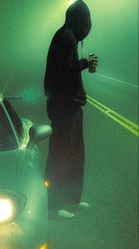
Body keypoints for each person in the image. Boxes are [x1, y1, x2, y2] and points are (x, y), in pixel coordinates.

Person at [44, 0, 98, 219]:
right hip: (63, 107)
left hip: (70, 107)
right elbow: (64, 71)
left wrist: (83, 63)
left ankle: (71, 200)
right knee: (61, 156)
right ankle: (54, 207)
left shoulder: (68, 37)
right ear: (80, 21)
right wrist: (85, 63)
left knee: (75, 156)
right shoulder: (65, 38)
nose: (88, 27)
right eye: (86, 22)